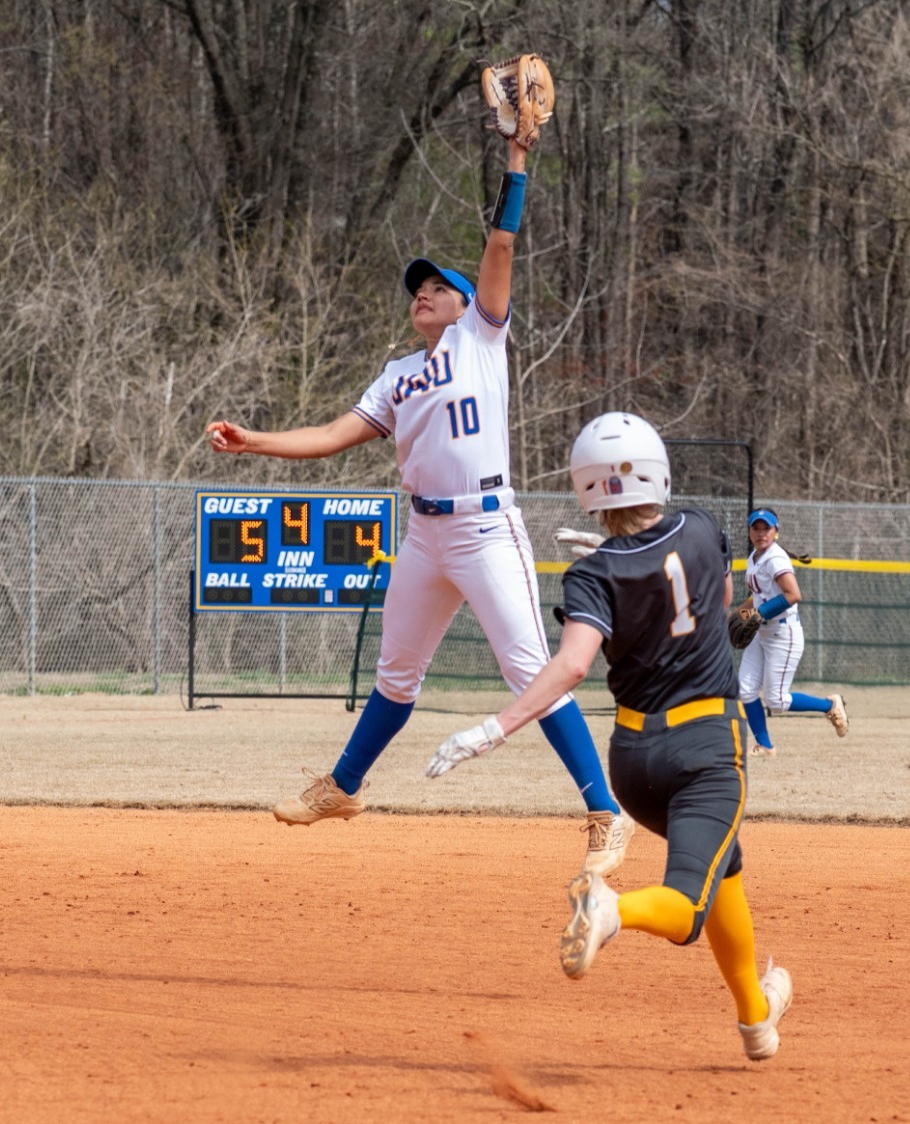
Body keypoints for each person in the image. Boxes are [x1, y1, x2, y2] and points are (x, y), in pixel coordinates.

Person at [203, 132, 631, 876]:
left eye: (437, 286)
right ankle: (341, 788)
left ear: (465, 304)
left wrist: (518, 159)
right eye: (417, 288)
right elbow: (338, 433)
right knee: (396, 675)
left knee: (533, 670)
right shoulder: (399, 374)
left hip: (486, 528)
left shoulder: (481, 338)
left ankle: (604, 811)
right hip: (425, 535)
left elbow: (501, 244)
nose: (422, 293)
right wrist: (256, 442)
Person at [425, 411, 793, 1062]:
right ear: (658, 471)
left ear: (586, 490)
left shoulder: (592, 576)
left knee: (722, 867)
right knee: (685, 904)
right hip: (707, 747)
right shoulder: (704, 527)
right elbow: (716, 594)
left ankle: (755, 1019)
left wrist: (495, 727)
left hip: (633, 764)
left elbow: (572, 664)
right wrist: (643, 574)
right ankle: (613, 911)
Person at [737, 509, 847, 757]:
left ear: (776, 531)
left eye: (766, 528)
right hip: (761, 631)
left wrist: (759, 613)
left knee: (776, 702)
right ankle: (765, 746)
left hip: (782, 634)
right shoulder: (753, 558)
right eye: (756, 528)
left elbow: (793, 594)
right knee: (745, 689)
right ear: (749, 531)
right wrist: (737, 613)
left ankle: (829, 705)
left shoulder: (776, 558)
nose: (761, 533)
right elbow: (759, 596)